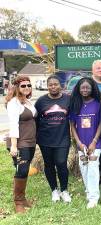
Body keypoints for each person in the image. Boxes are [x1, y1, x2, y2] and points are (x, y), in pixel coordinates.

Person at [35, 75, 71, 203]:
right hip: (45, 139)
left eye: (55, 84)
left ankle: (64, 190)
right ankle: (54, 190)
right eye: (50, 85)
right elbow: (35, 119)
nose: (53, 87)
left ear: (60, 85)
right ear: (47, 86)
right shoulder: (41, 101)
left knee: (61, 163)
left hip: (63, 138)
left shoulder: (68, 99)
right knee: (49, 164)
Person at [69, 77, 101, 208]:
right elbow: (72, 125)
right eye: (82, 87)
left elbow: (100, 123)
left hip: (95, 143)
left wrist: (94, 142)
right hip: (81, 143)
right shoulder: (75, 103)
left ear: (92, 88)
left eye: (87, 87)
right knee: (84, 167)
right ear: (78, 88)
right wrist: (78, 142)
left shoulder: (98, 104)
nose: (85, 90)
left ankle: (94, 198)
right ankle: (89, 192)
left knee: (93, 168)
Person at [5, 75, 37, 213]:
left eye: (28, 85)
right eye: (23, 86)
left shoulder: (28, 102)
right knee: (22, 170)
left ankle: (23, 199)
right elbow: (13, 124)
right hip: (19, 143)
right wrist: (13, 145)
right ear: (17, 87)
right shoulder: (14, 103)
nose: (26, 88)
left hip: (30, 142)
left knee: (24, 170)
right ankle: (18, 202)